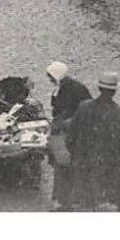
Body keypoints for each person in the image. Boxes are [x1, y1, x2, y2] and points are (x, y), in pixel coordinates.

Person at [67, 72, 120, 211]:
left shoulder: (83, 107)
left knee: (84, 205)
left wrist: (77, 156)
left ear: (99, 89)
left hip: (83, 166)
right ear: (114, 91)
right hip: (107, 170)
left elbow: (70, 136)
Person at [46, 61, 92, 211]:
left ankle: (66, 200)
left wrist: (65, 122)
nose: (50, 80)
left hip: (73, 133)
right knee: (63, 165)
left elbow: (84, 113)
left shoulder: (76, 89)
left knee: (66, 165)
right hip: (63, 131)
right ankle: (64, 198)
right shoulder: (62, 88)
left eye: (51, 77)